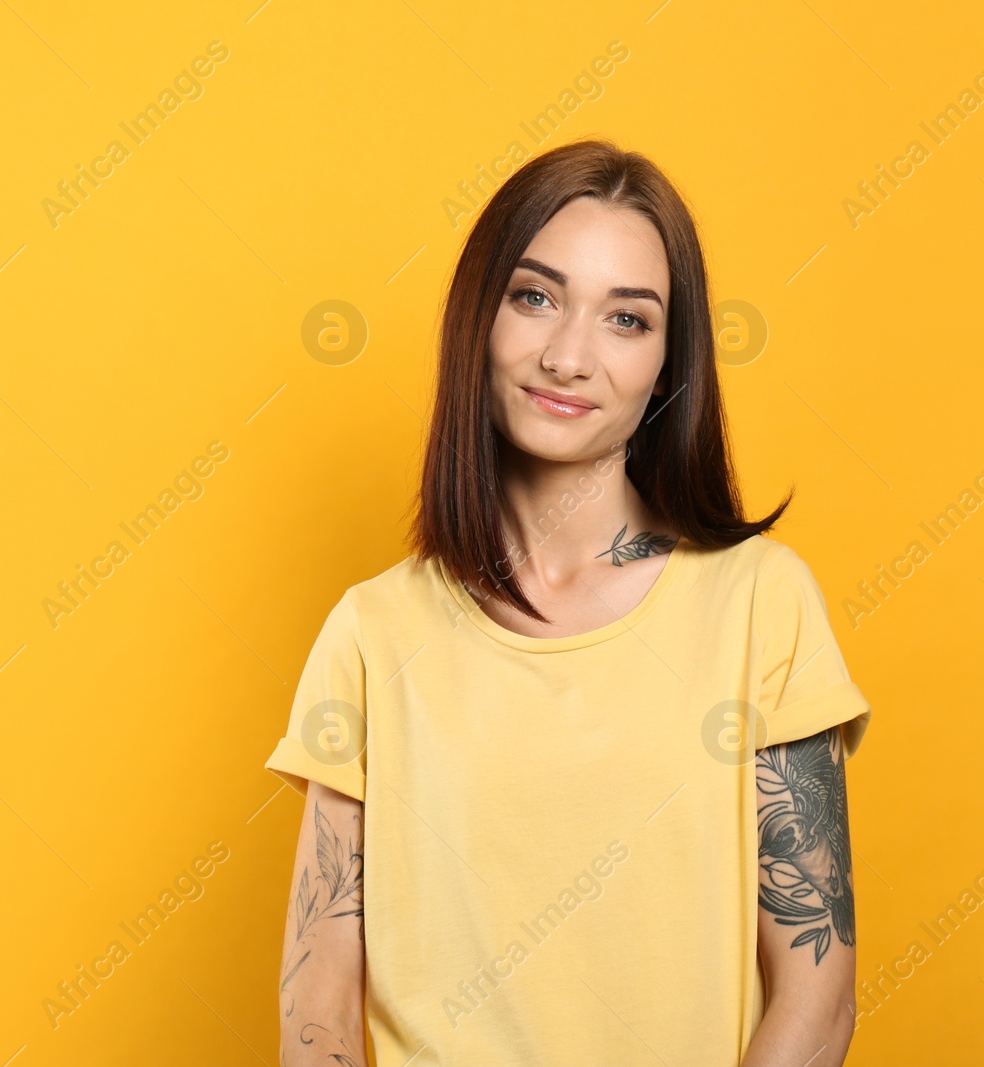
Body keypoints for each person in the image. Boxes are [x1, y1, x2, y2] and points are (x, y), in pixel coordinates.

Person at [265, 138, 872, 1066]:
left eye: (627, 320)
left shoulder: (761, 605)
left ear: (671, 363)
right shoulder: (371, 634)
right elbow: (317, 1006)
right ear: (481, 316)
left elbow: (817, 995)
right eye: (535, 296)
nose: (568, 355)